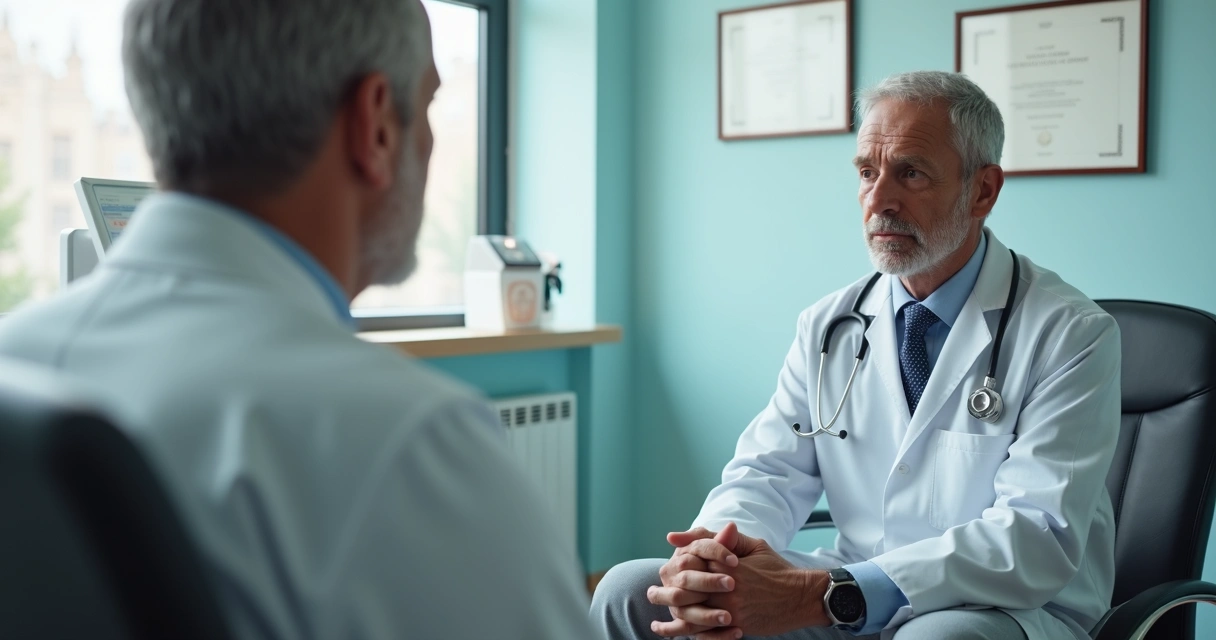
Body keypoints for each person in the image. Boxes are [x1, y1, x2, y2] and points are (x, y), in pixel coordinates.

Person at [0, 0, 599, 638]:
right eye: (424, 107)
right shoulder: (411, 445)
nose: (426, 139)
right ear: (375, 127)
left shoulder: (15, 358)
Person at [591, 71, 1121, 640]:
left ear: (983, 191)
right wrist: (712, 559)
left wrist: (824, 595)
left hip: (1007, 607)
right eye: (867, 172)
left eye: (910, 173)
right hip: (846, 587)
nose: (879, 200)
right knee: (630, 591)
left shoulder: (1071, 332)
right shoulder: (829, 324)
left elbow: (1035, 536)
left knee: (938, 638)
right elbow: (767, 471)